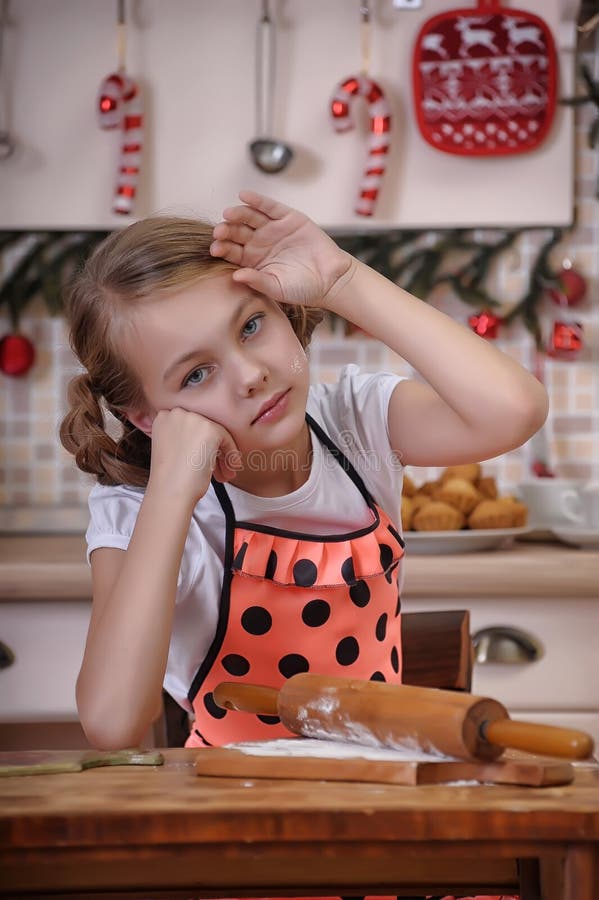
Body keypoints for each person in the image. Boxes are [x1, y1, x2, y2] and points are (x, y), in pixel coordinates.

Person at [61, 190, 538, 900]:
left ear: (283, 310)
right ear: (147, 417)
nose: (249, 373)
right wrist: (170, 491)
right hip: (244, 852)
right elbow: (112, 723)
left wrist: (344, 279)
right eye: (196, 375)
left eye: (251, 326)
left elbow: (514, 410)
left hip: (389, 823)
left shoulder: (355, 425)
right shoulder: (141, 514)